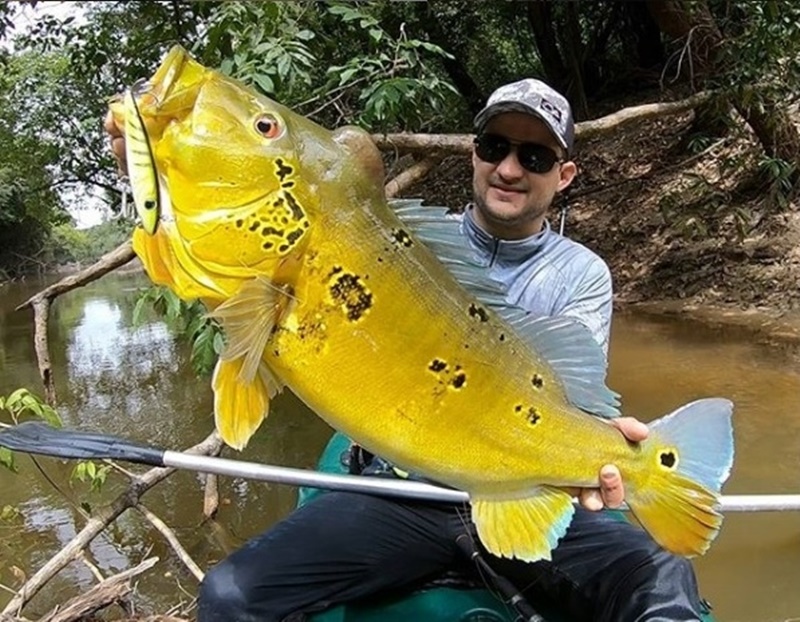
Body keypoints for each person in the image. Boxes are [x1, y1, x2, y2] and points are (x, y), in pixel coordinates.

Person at [104, 78, 708, 621]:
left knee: (661, 576)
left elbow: (572, 393)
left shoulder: (582, 274)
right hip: (398, 492)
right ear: (474, 154)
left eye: (535, 155)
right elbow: (193, 256)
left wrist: (604, 451)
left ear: (563, 174)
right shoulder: (399, 236)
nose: (509, 169)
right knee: (232, 596)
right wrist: (147, 158)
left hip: (512, 480)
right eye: (495, 147)